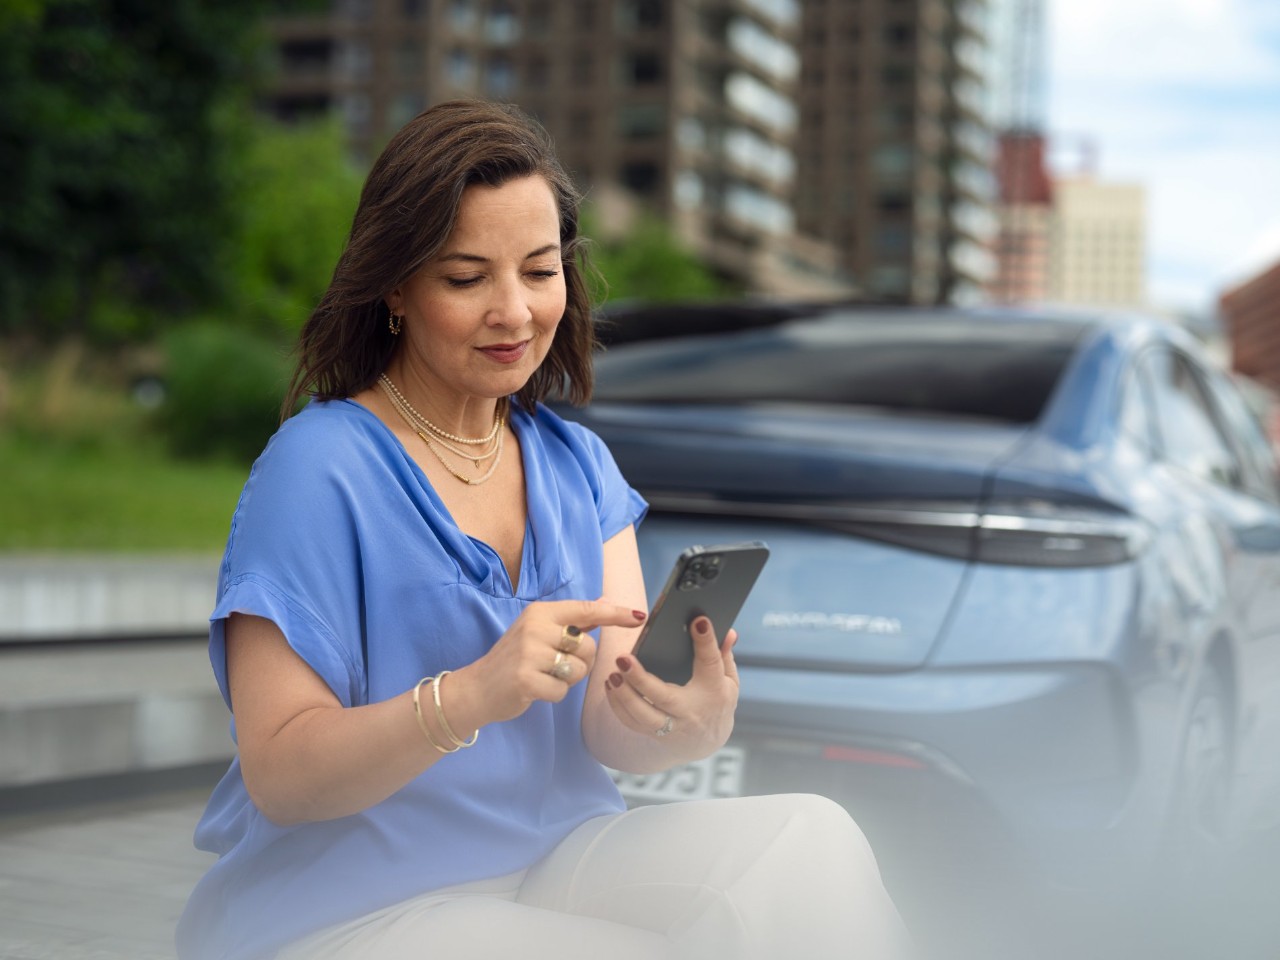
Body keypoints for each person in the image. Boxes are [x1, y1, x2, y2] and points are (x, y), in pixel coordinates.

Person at [177, 99, 909, 960]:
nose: (515, 312)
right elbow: (281, 776)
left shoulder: (578, 468)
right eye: (466, 277)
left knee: (810, 841)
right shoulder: (317, 467)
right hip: (349, 906)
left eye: (538, 270)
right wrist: (472, 694)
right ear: (394, 288)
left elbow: (612, 732)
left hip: (553, 861)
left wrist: (688, 718)